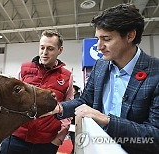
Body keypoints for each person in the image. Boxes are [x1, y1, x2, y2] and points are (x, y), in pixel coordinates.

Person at [51, 3, 159, 154]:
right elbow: (85, 101)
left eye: (106, 39)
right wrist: (58, 108)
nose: (99, 46)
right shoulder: (101, 66)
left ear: (130, 36)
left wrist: (106, 120)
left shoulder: (156, 73)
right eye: (97, 39)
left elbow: (155, 135)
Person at [0, 30, 73, 154]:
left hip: (46, 143)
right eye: (42, 47)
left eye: (50, 48)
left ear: (60, 50)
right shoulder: (24, 69)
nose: (44, 53)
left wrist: (58, 139)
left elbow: (68, 109)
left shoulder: (67, 77)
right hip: (15, 138)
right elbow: (9, 101)